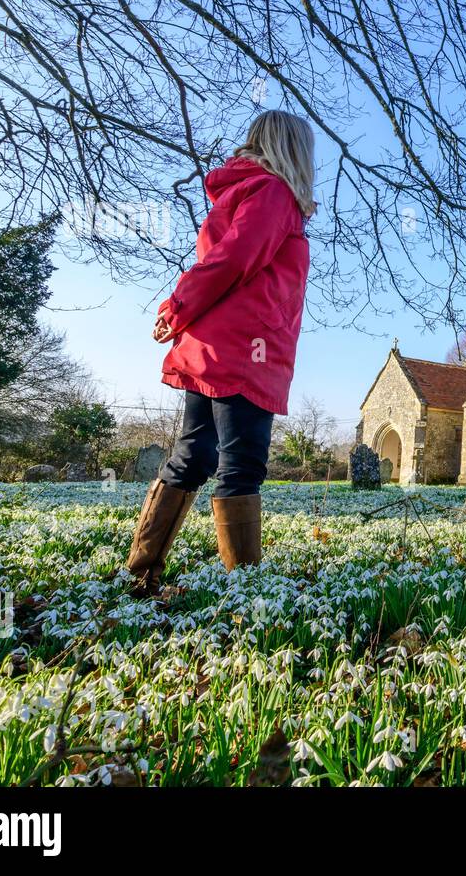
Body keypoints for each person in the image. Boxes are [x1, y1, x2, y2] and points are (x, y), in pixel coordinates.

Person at [125, 110, 315, 596]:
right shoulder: (274, 194)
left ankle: (141, 572)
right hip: (246, 350)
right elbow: (237, 259)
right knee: (241, 463)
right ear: (293, 150)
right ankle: (246, 591)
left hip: (211, 346)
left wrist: (180, 309)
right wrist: (179, 306)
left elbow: (220, 259)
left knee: (192, 454)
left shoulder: (240, 192)